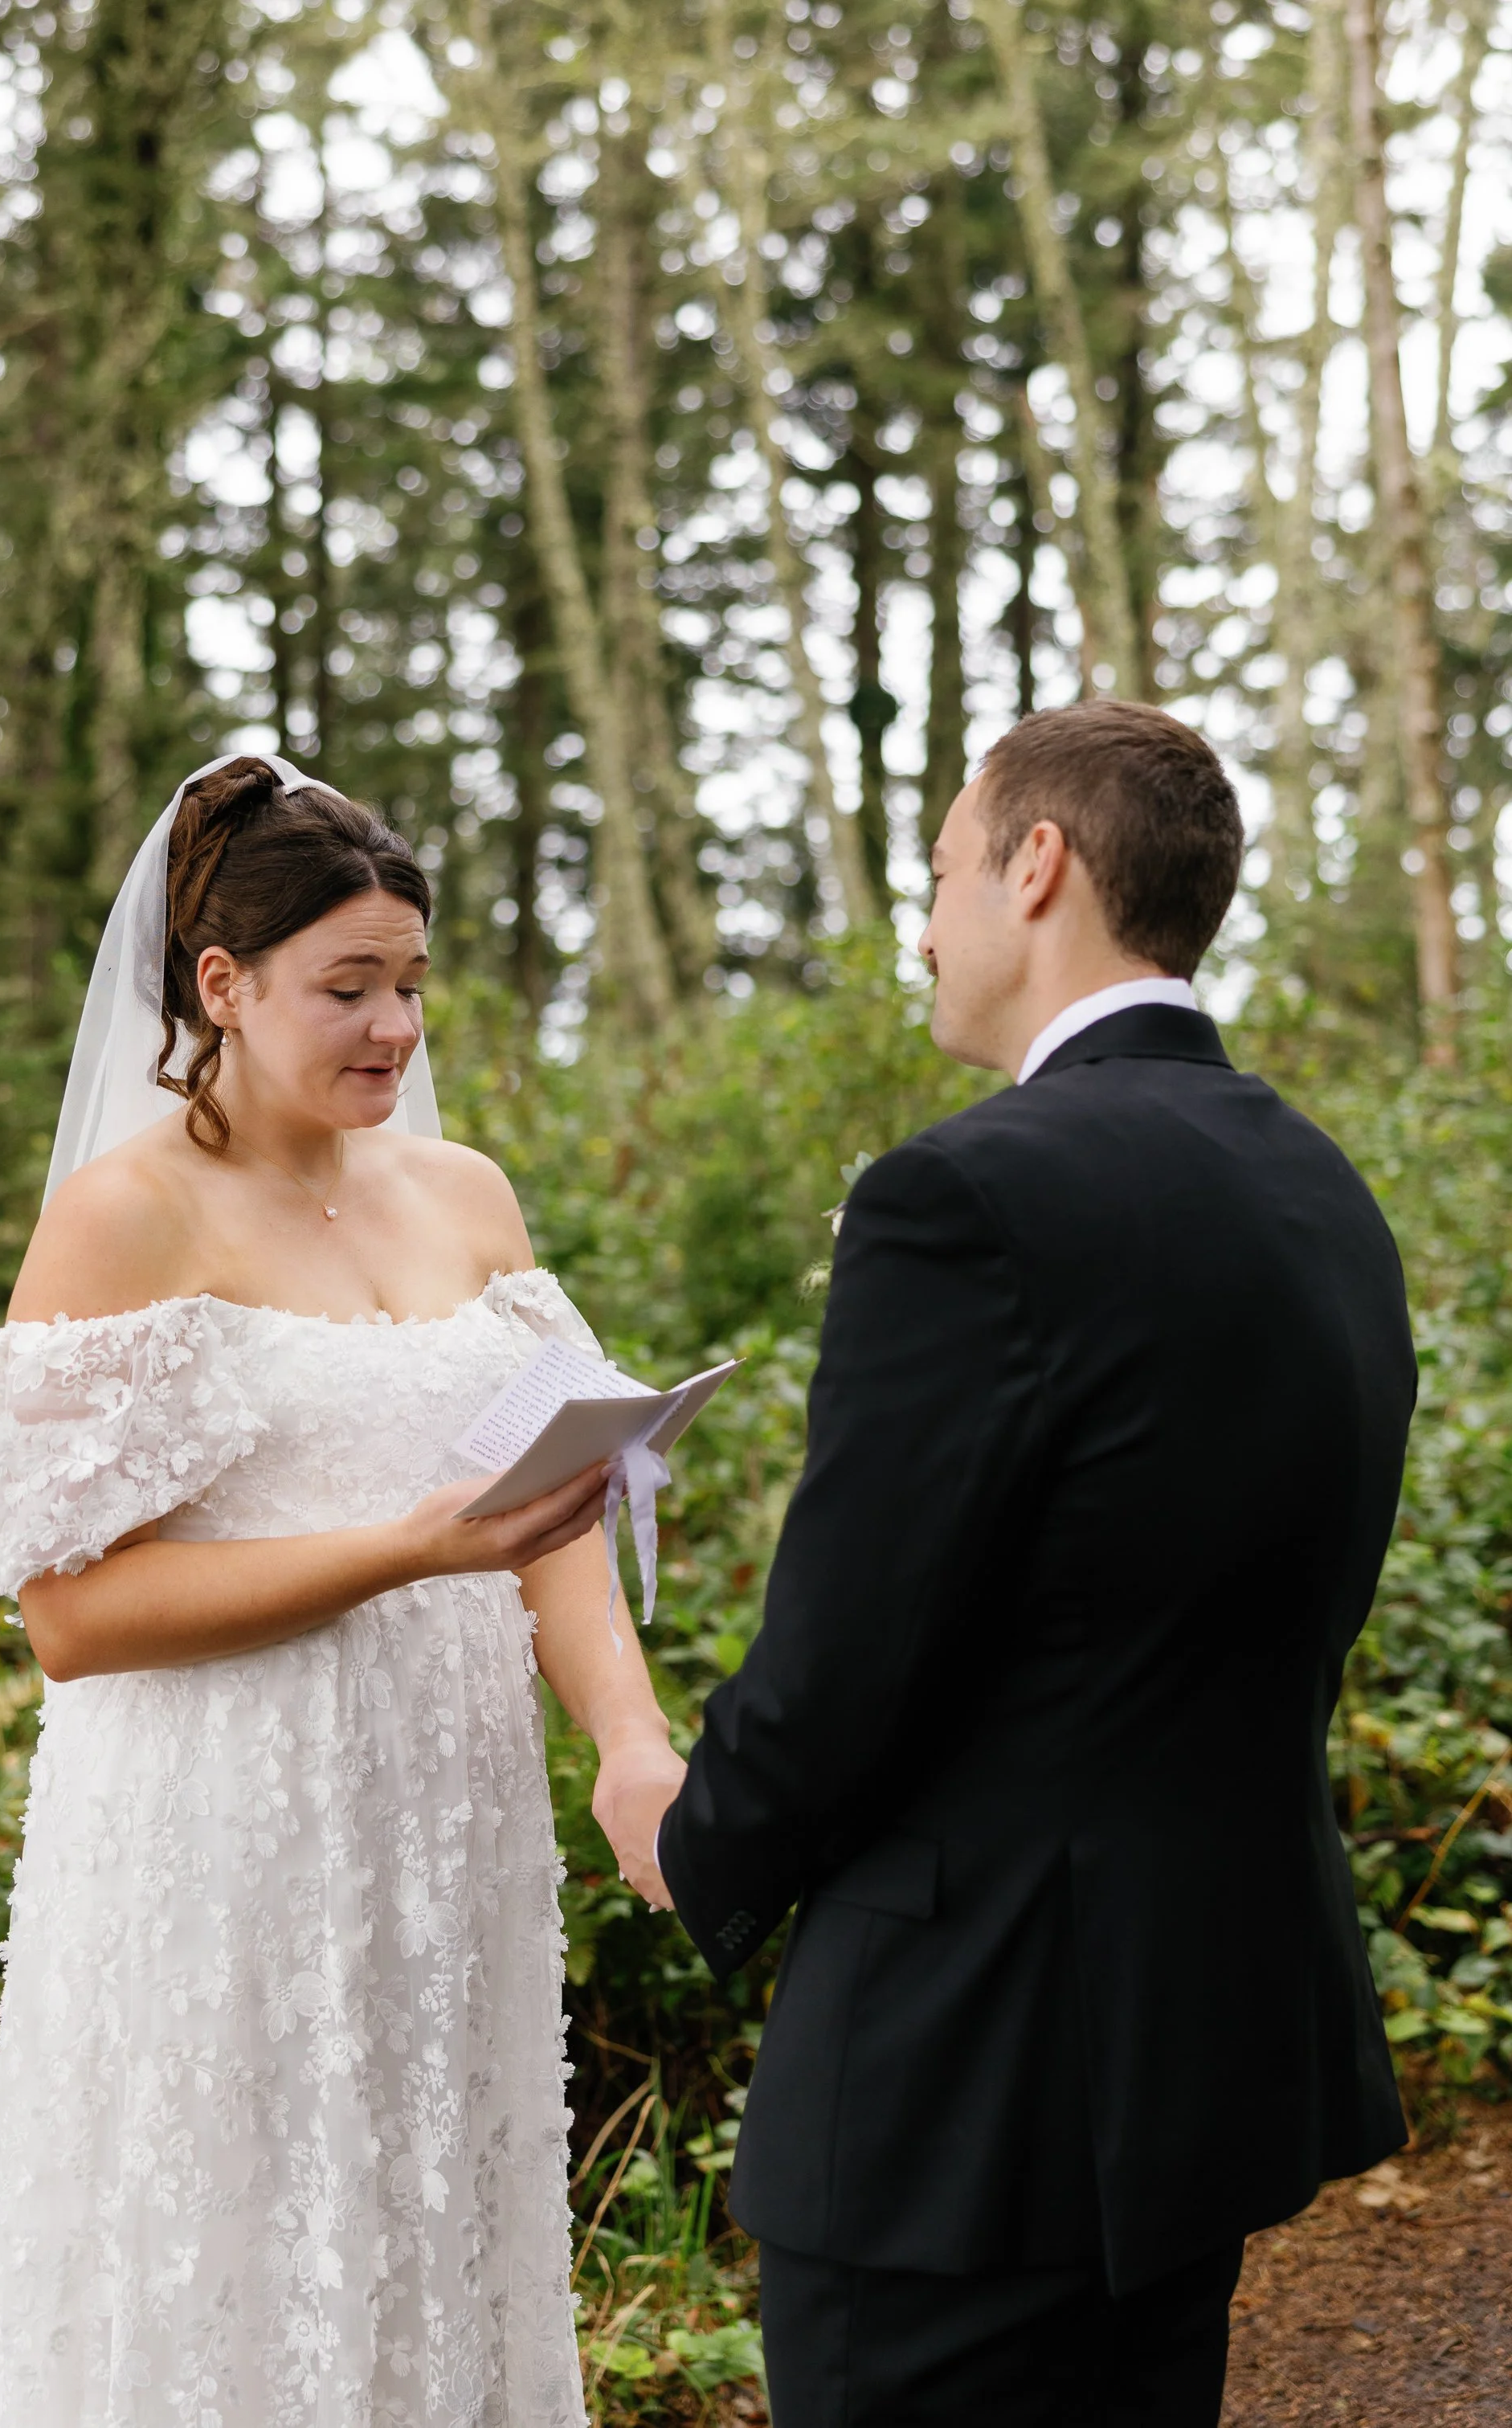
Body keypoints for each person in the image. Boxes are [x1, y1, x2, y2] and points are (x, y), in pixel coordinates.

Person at [629, 701, 1416, 2426]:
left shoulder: (965, 1198)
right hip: (1204, 2042)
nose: (920, 923)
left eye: (934, 873)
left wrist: (694, 1840)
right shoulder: (1317, 1185)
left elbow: (848, 1655)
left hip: (962, 2083)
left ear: (1036, 863)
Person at [0, 752, 682, 2427]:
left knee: (430, 2232)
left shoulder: (467, 1196)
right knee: (229, 2267)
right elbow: (71, 1619)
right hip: (220, 1848)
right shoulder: (126, 1216)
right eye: (348, 986)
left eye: (410, 982)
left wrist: (627, 1735)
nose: (394, 1028)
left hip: (447, 1840)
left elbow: (552, 1510)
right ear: (224, 983)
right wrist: (407, 1550)